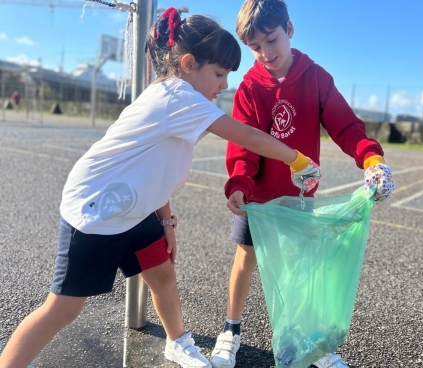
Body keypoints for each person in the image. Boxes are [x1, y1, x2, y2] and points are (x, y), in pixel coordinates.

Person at [0, 7, 321, 368]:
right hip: (97, 209)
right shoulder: (178, 97)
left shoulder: (176, 98)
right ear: (187, 63)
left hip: (135, 209)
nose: (224, 84)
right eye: (218, 73)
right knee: (63, 309)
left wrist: (165, 220)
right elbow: (247, 135)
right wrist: (297, 160)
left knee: (163, 275)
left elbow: (153, 168)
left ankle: (177, 342)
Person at [210, 1, 395, 368]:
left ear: (289, 30)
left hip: (298, 198)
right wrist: (240, 183)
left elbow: (346, 126)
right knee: (246, 259)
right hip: (259, 200)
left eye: (272, 40)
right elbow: (246, 143)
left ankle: (310, 343)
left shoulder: (316, 78)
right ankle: (230, 330)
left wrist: (372, 159)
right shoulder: (249, 88)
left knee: (303, 268)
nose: (265, 52)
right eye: (256, 46)